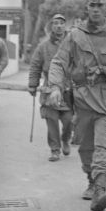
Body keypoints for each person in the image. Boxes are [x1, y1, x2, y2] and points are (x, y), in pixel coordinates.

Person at [48, 0, 106, 211]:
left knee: (102, 146)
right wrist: (56, 86)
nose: (96, 10)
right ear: (87, 8)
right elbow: (59, 62)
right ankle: (91, 179)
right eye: (92, 6)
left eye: (101, 6)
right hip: (84, 101)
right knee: (86, 149)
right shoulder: (75, 36)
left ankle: (100, 190)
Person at [28, 13, 73, 162]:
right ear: (51, 26)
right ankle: (55, 149)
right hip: (49, 88)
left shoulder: (73, 44)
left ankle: (66, 139)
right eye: (55, 23)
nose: (59, 26)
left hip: (68, 90)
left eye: (61, 23)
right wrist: (33, 84)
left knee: (68, 121)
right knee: (51, 119)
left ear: (65, 25)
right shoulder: (43, 46)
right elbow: (35, 65)